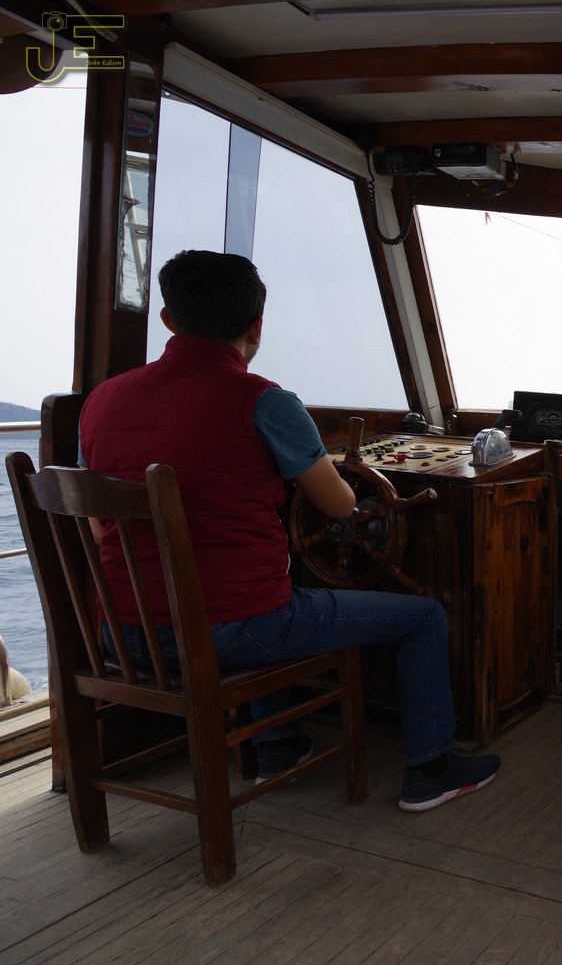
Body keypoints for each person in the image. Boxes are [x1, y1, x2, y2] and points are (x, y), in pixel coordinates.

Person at [78, 249, 498, 811]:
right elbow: (340, 505)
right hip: (227, 632)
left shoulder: (101, 401)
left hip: (120, 634)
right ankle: (432, 771)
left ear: (169, 320)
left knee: (262, 596)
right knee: (420, 617)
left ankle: (278, 745)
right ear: (257, 326)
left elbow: (98, 524)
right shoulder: (263, 401)